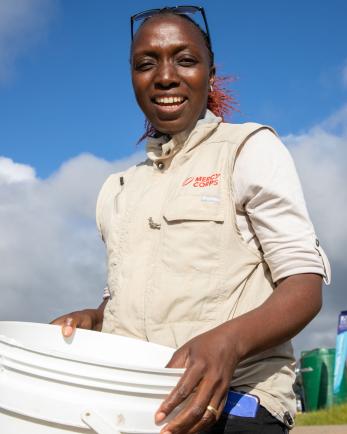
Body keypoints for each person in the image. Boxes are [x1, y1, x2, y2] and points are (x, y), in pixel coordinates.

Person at [51, 6, 330, 434]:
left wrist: (228, 343)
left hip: (237, 397)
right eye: (147, 63)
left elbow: (304, 285)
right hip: (137, 402)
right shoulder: (118, 189)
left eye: (185, 59)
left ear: (210, 74)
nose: (165, 76)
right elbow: (128, 294)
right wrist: (95, 316)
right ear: (133, 78)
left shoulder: (248, 149)